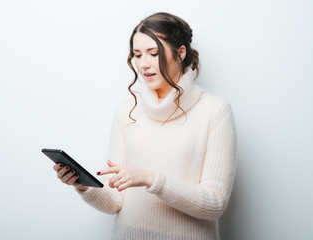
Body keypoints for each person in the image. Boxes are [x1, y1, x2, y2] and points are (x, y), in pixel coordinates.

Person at [53, 12, 237, 240]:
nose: (144, 64)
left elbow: (215, 204)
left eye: (154, 53)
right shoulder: (126, 110)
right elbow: (115, 201)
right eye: (137, 55)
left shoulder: (215, 111)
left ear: (181, 53)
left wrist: (152, 179)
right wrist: (84, 186)